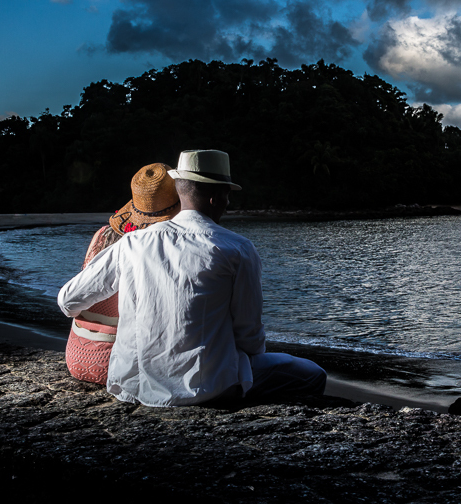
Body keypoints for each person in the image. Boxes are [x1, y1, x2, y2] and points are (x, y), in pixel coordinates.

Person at [58, 149, 326, 406]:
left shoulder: (131, 244)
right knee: (314, 375)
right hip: (208, 388)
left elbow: (67, 300)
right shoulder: (237, 248)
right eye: (227, 197)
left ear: (179, 189)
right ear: (216, 198)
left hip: (131, 386)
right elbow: (249, 336)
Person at [64, 162, 180, 385]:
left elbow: (71, 301)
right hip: (120, 362)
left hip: (78, 353)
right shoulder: (155, 248)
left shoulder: (101, 236)